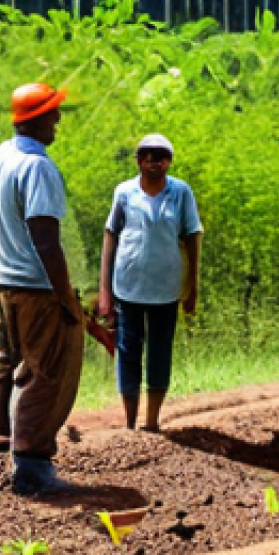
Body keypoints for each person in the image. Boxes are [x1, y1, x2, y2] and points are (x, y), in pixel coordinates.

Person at [0, 83, 84, 496]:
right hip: (34, 287)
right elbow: (46, 239)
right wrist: (65, 298)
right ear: (36, 118)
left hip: (2, 279)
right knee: (43, 374)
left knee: (4, 361)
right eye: (52, 113)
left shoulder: (2, 155)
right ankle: (31, 465)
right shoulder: (39, 167)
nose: (58, 120)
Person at [99, 134, 202, 432]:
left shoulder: (180, 193)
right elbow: (110, 235)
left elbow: (193, 236)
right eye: (146, 155)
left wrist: (192, 286)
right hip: (128, 285)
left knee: (159, 352)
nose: (153, 161)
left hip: (166, 288)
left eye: (160, 155)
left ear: (169, 161)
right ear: (138, 160)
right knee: (128, 350)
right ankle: (130, 422)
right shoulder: (125, 193)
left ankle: (152, 421)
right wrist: (105, 289)